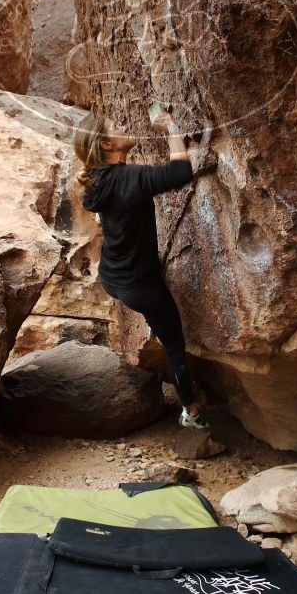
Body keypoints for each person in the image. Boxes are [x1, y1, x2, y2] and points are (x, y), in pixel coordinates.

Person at [73, 107, 209, 431]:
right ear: (107, 145)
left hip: (112, 277)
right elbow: (179, 173)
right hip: (139, 285)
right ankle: (191, 412)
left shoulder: (98, 183)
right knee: (175, 346)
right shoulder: (128, 178)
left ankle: (151, 321)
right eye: (116, 126)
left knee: (151, 311)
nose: (123, 125)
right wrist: (172, 127)